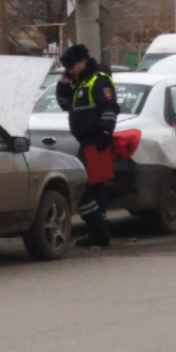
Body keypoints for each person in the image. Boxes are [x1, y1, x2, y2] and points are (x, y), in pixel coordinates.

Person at [56, 43, 119, 248]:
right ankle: (99, 232)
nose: (69, 71)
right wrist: (63, 84)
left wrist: (104, 133)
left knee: (84, 188)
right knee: (95, 188)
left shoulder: (98, 81)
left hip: (96, 141)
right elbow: (65, 105)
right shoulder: (80, 82)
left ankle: (99, 231)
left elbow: (109, 107)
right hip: (86, 141)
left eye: (71, 67)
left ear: (81, 62)